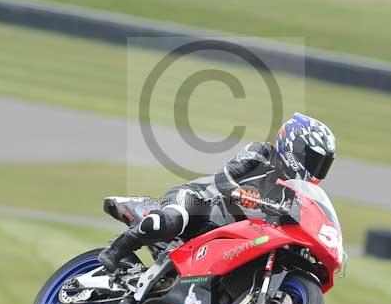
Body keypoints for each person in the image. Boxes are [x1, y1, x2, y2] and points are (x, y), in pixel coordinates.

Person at [99, 113, 336, 273]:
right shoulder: (261, 153)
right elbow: (224, 177)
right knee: (171, 221)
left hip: (228, 238)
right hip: (201, 202)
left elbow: (298, 229)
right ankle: (116, 250)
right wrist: (239, 192)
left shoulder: (294, 195)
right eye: (314, 160)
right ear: (294, 147)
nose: (317, 169)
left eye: (323, 164)